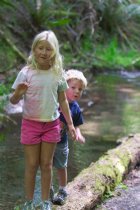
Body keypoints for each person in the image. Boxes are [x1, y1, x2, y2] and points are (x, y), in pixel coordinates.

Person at [10, 30, 77, 210]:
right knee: (32, 165)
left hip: (51, 125)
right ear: (34, 49)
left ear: (54, 51)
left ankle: (46, 201)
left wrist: (70, 124)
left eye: (48, 49)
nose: (43, 52)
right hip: (30, 124)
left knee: (46, 165)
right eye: (40, 48)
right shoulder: (26, 73)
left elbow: (63, 100)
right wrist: (18, 92)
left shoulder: (57, 74)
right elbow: (13, 100)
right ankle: (29, 202)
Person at [51, 69, 87, 205]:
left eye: (80, 89)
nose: (77, 91)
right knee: (46, 165)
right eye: (73, 87)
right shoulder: (55, 101)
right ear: (64, 87)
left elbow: (77, 125)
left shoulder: (76, 108)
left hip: (61, 142)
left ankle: (62, 190)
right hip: (47, 141)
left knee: (61, 165)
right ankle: (48, 190)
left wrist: (78, 134)